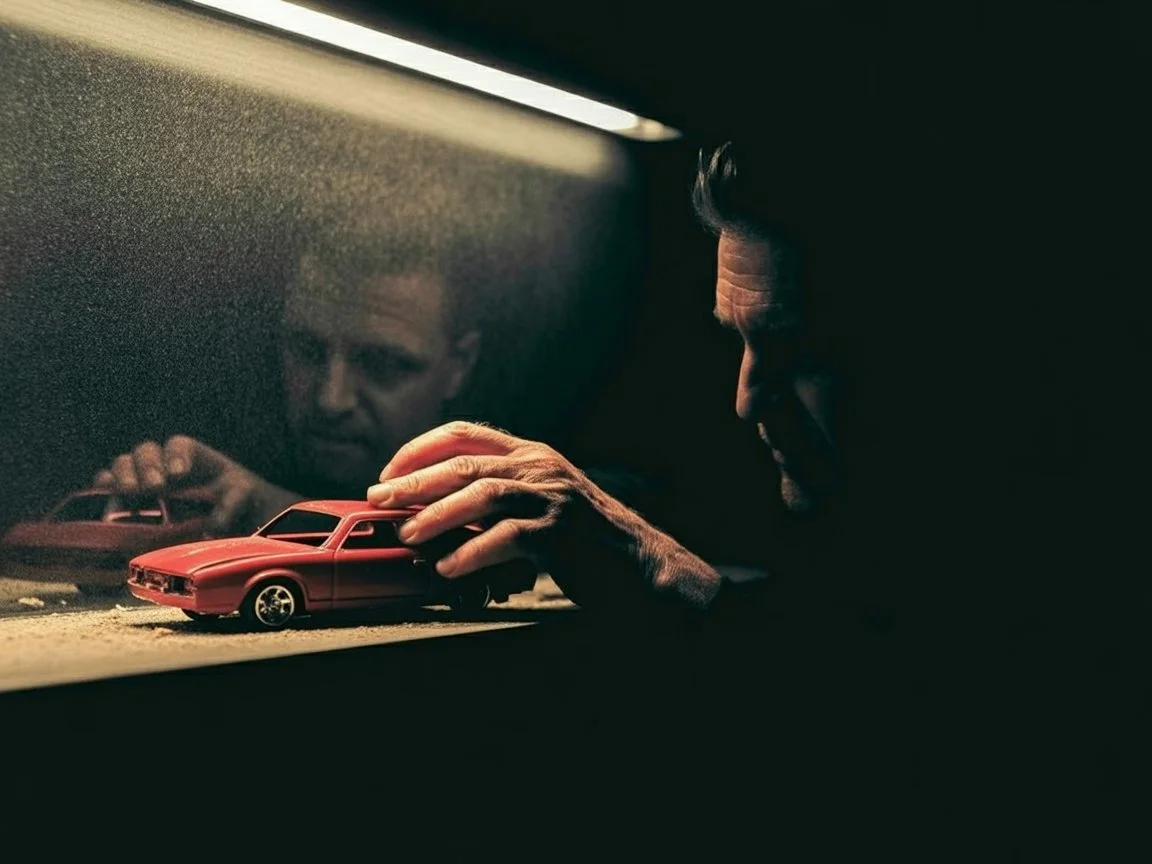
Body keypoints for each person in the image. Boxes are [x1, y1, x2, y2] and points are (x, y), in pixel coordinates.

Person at [93, 212, 484, 536]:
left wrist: (279, 516)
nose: (331, 399)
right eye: (307, 350)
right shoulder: (225, 446)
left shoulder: (499, 486)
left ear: (460, 366)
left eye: (382, 362)